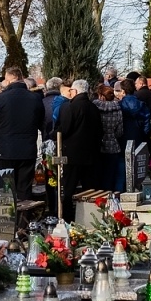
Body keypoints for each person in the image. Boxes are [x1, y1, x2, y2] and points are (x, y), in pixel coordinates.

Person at [0, 65, 42, 205]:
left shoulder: (1, 99)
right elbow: (39, 121)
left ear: (9, 80)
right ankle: (24, 217)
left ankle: (8, 218)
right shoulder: (35, 99)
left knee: (5, 191)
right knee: (24, 191)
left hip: (5, 150)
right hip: (27, 150)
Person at [55, 79, 103, 217]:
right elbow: (100, 131)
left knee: (68, 189)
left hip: (72, 155)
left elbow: (63, 130)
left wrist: (53, 134)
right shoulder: (94, 108)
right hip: (91, 154)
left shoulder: (70, 107)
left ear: (75, 91)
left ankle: (67, 217)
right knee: (91, 190)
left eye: (71, 90)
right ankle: (92, 217)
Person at [94, 84, 125, 191]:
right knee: (110, 176)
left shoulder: (95, 108)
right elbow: (120, 131)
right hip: (113, 146)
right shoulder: (118, 109)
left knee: (98, 176)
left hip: (98, 146)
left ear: (101, 96)